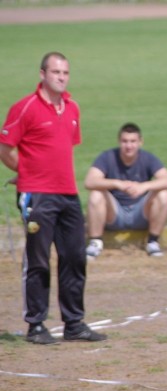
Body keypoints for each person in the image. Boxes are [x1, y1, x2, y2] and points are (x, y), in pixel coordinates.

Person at [0, 52, 107, 345]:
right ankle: (35, 325)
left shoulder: (72, 108)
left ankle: (74, 323)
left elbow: (62, 149)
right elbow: (6, 147)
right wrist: (26, 173)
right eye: (56, 72)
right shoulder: (25, 108)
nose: (61, 77)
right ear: (42, 74)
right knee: (38, 261)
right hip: (37, 195)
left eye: (65, 72)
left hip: (68, 194)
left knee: (74, 257)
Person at [84, 122, 167, 259]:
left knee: (164, 194)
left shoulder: (148, 158)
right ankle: (95, 242)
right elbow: (89, 181)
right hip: (115, 213)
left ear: (140, 142)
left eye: (133, 141)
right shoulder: (107, 157)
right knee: (96, 194)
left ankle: (153, 241)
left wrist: (144, 186)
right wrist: (117, 184)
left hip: (141, 212)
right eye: (125, 141)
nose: (129, 146)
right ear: (119, 142)